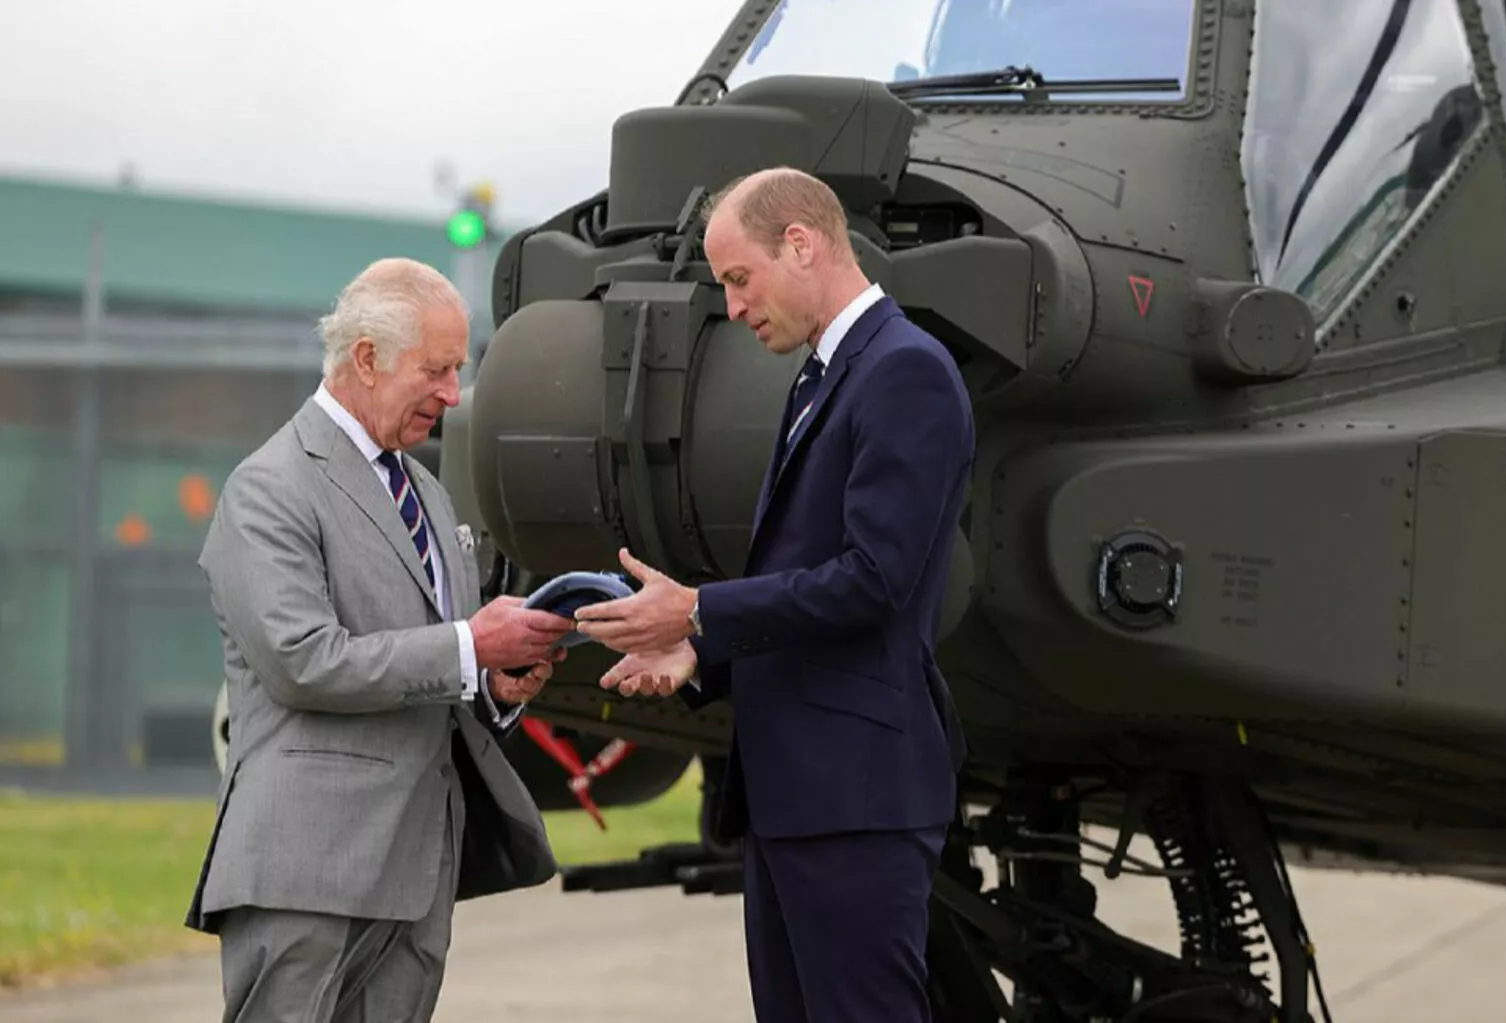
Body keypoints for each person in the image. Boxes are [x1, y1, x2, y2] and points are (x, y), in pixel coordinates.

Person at [573, 167, 974, 1023]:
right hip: (801, 793)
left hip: (854, 795)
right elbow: (807, 572)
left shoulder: (904, 371)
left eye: (738, 278)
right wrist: (698, 654)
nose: (732, 306)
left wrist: (699, 609)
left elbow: (876, 579)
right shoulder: (822, 378)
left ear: (801, 245)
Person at [185, 257, 573, 1023]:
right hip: (306, 871)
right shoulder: (269, 487)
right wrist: (470, 647)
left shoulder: (425, 490)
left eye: (458, 370)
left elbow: (437, 661)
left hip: (418, 871)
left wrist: (494, 680)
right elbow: (303, 661)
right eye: (437, 369)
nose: (453, 394)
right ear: (366, 357)